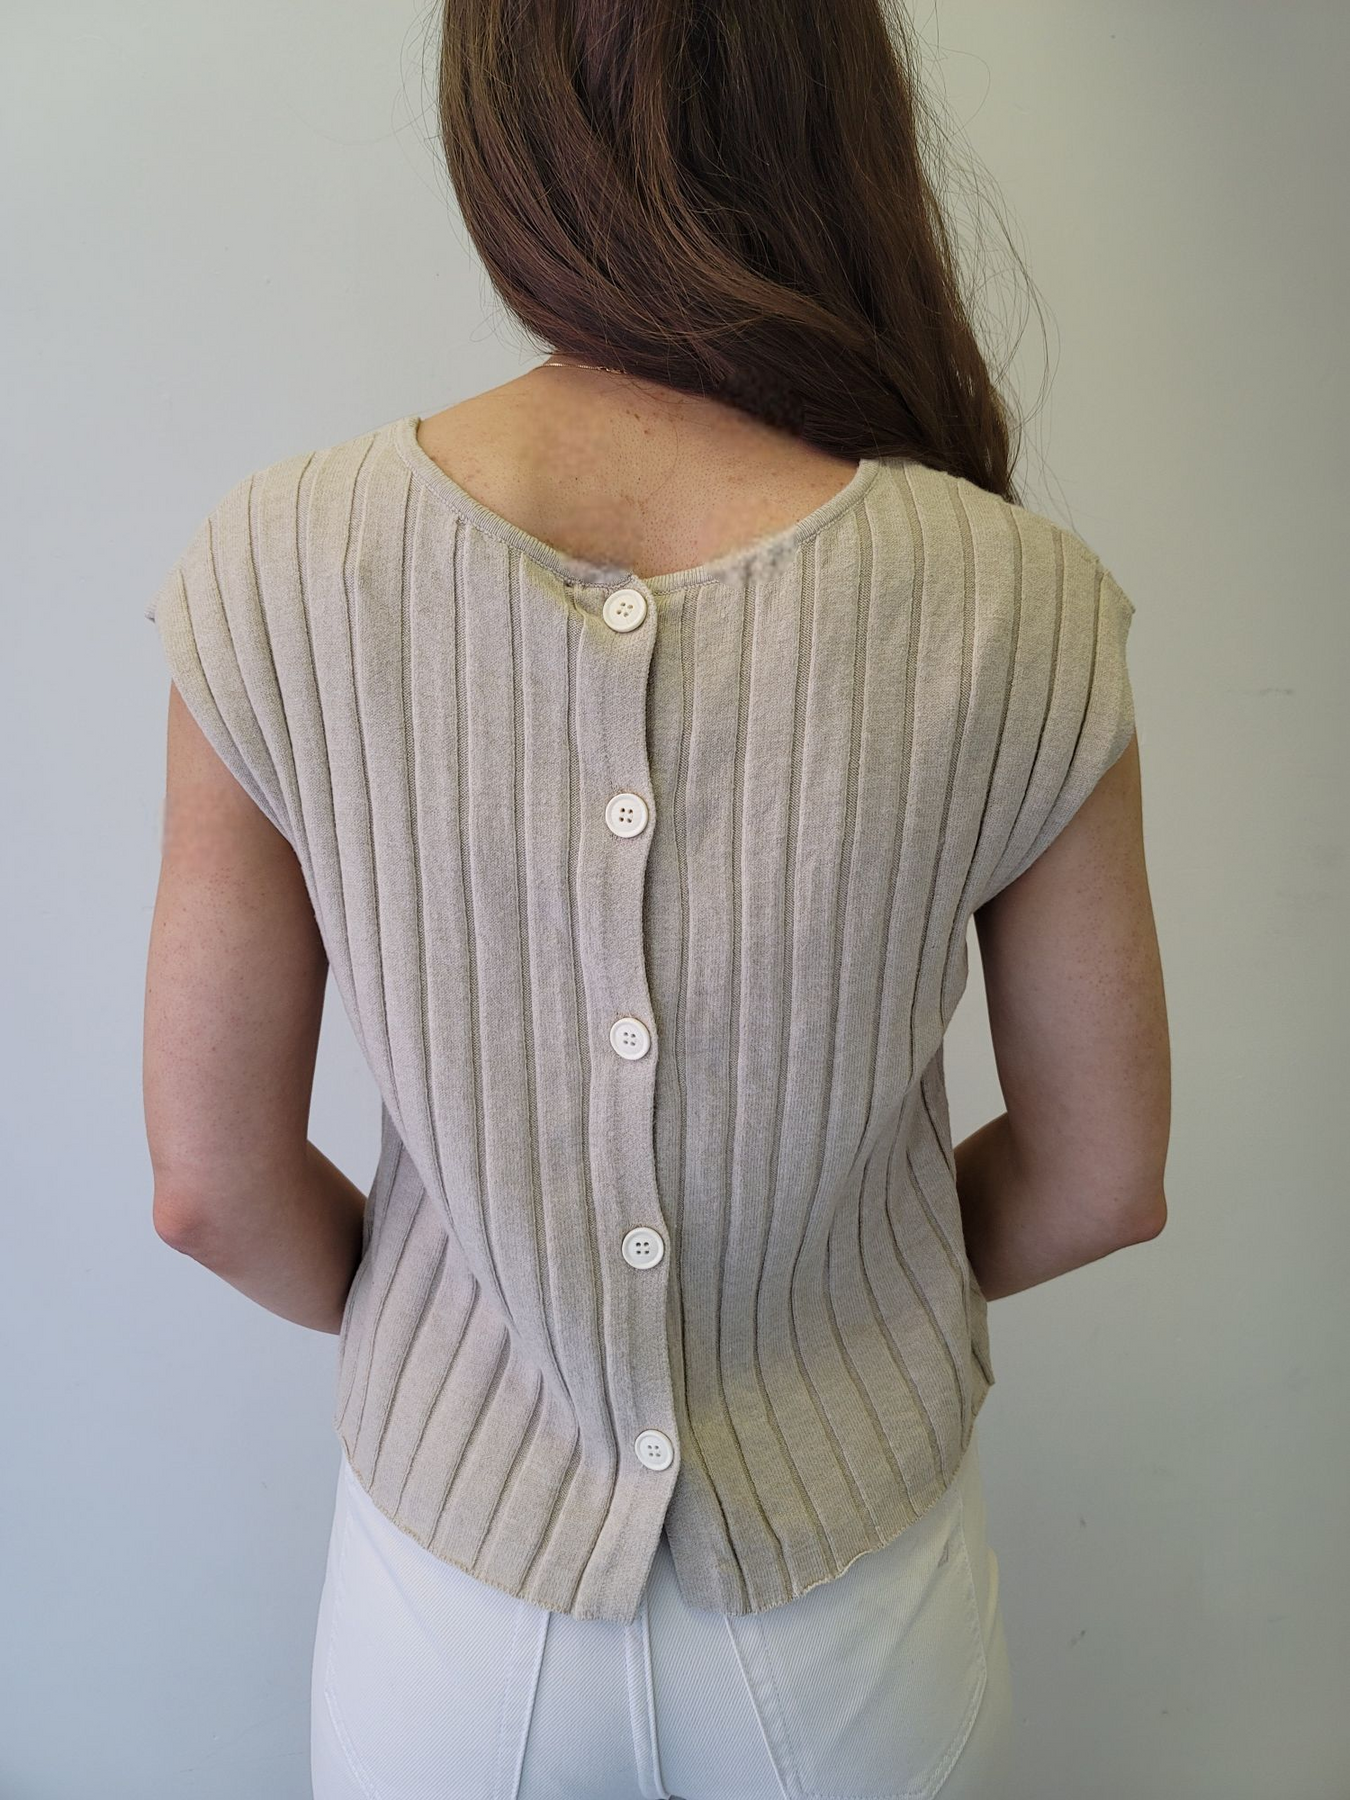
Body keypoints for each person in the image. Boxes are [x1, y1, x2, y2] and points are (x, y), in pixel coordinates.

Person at [141, 3, 1171, 1795]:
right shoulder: (1019, 603)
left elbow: (209, 1188)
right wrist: (845, 1308)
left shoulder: (277, 567)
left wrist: (457, 1332)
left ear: (503, 127)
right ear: (835, 118)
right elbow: (1101, 1179)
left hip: (448, 1621)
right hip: (853, 1622)